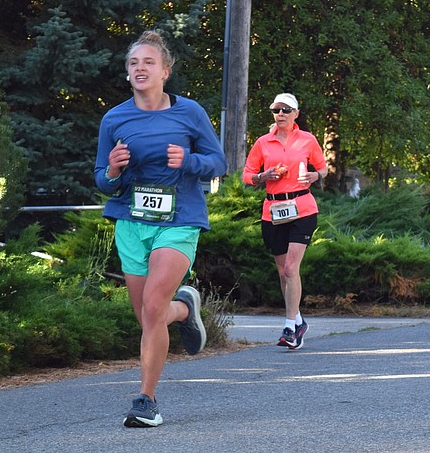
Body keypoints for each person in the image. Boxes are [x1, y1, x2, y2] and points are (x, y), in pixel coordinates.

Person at [94, 30, 228, 428]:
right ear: (127, 73)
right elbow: (102, 179)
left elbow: (218, 163)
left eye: (148, 62)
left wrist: (188, 160)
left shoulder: (189, 113)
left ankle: (146, 401)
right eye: (134, 63)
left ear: (165, 71)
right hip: (131, 222)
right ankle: (185, 308)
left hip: (179, 219)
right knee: (148, 316)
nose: (140, 68)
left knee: (152, 307)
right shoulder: (114, 118)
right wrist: (114, 170)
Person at [242, 93, 328, 350]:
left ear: (296, 114)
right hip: (273, 209)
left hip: (302, 207)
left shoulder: (307, 140)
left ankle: (290, 326)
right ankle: (299, 320)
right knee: (283, 272)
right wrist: (263, 176)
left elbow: (323, 168)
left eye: (286, 110)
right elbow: (247, 175)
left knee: (291, 269)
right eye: (276, 109)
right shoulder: (263, 143)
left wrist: (314, 175)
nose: (280, 114)